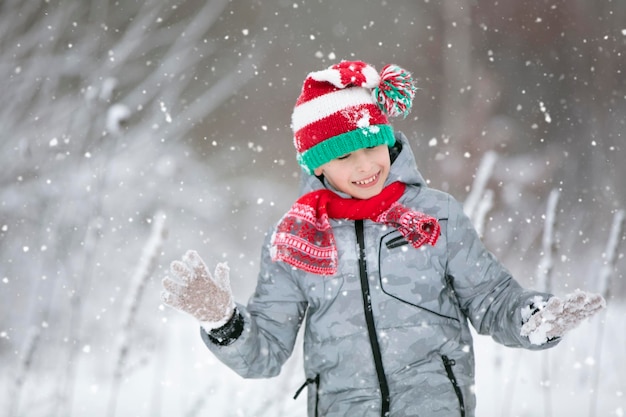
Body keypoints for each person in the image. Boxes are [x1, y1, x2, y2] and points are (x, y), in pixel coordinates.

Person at [161, 60, 606, 417]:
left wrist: (535, 318)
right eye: (345, 156)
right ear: (317, 166)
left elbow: (492, 299)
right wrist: (224, 323)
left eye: (373, 147)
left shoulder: (435, 214)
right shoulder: (293, 239)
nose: (365, 166)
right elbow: (266, 354)